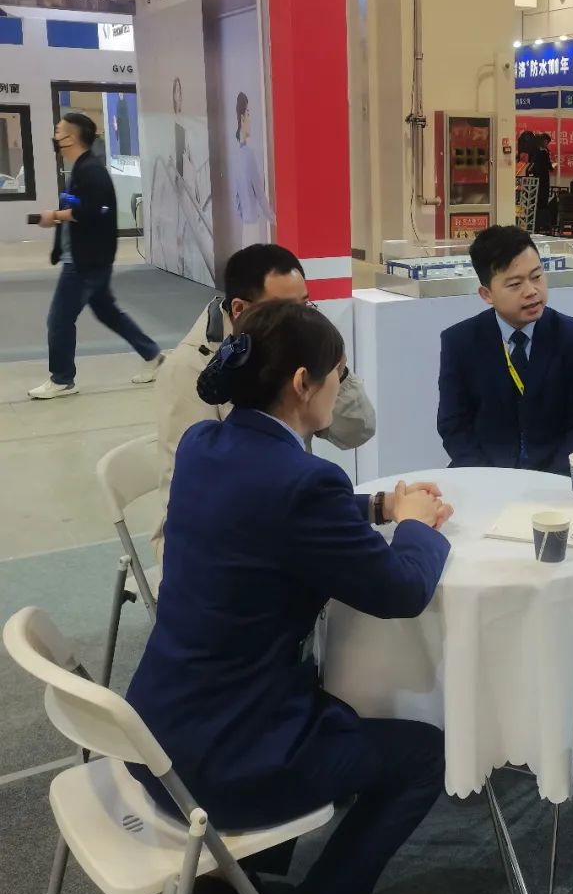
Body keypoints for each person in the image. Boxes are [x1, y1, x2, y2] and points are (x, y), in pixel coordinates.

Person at [126, 299, 452, 894]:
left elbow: (274, 517)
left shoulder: (206, 445)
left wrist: (379, 508)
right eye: (339, 374)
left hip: (155, 738)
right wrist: (417, 527)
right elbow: (401, 590)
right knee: (421, 757)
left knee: (332, 708)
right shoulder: (303, 482)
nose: (342, 388)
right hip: (226, 762)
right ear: (304, 383)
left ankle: (232, 880)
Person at [154, 242, 375, 558]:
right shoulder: (188, 369)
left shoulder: (298, 344)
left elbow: (356, 432)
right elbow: (194, 496)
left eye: (305, 305)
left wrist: (336, 373)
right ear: (240, 310)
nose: (300, 320)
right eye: (284, 309)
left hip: (285, 511)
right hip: (228, 545)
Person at [437, 224, 573, 474]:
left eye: (537, 277)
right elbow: (454, 425)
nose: (531, 291)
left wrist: (549, 484)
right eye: (515, 284)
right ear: (487, 294)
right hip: (487, 474)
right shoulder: (459, 342)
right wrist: (490, 481)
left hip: (561, 475)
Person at [27, 112, 164, 400]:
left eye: (59, 132)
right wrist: (57, 220)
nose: (55, 137)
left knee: (59, 320)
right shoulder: (80, 170)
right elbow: (82, 208)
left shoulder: (91, 171)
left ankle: (62, 379)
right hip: (86, 257)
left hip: (84, 262)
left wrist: (56, 215)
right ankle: (152, 355)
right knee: (107, 312)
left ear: (71, 137)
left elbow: (96, 210)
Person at [233, 90, 274, 245]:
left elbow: (236, 199)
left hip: (245, 228)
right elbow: (260, 194)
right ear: (242, 118)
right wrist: (273, 218)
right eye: (248, 114)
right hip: (253, 227)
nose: (250, 119)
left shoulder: (237, 155)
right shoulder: (249, 155)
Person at [529, 132, 553, 231]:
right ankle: (543, 223)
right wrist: (551, 167)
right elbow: (548, 165)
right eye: (547, 142)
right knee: (543, 200)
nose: (547, 144)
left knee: (537, 200)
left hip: (535, 179)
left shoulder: (534, 151)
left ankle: (536, 224)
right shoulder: (543, 152)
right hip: (543, 179)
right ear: (544, 141)